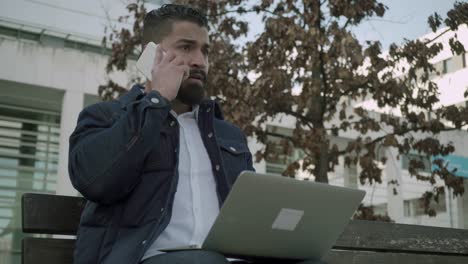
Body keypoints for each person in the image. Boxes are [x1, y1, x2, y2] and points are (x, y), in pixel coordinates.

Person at [69, 4, 323, 264]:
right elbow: (95, 182)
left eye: (205, 51)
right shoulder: (105, 117)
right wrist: (157, 101)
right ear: (151, 57)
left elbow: (248, 214)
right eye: (186, 47)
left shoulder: (228, 135)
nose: (200, 61)